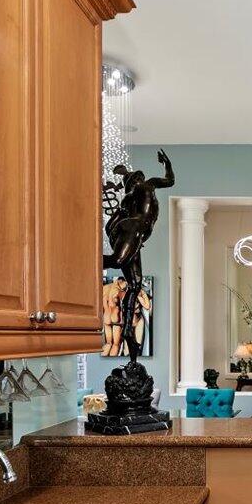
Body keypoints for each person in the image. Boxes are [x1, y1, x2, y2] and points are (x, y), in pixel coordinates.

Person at [105, 149, 174, 362]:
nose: (142, 178)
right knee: (117, 261)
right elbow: (170, 181)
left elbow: (109, 227)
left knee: (135, 285)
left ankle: (127, 329)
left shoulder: (126, 201)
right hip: (136, 230)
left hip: (136, 236)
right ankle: (86, 263)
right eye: (139, 176)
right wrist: (167, 163)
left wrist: (117, 236)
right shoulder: (148, 185)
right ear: (137, 180)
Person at [101, 277, 127, 356]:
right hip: (115, 317)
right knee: (116, 345)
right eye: (125, 284)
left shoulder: (104, 288)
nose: (126, 286)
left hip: (106, 317)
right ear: (120, 281)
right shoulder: (119, 291)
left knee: (108, 343)